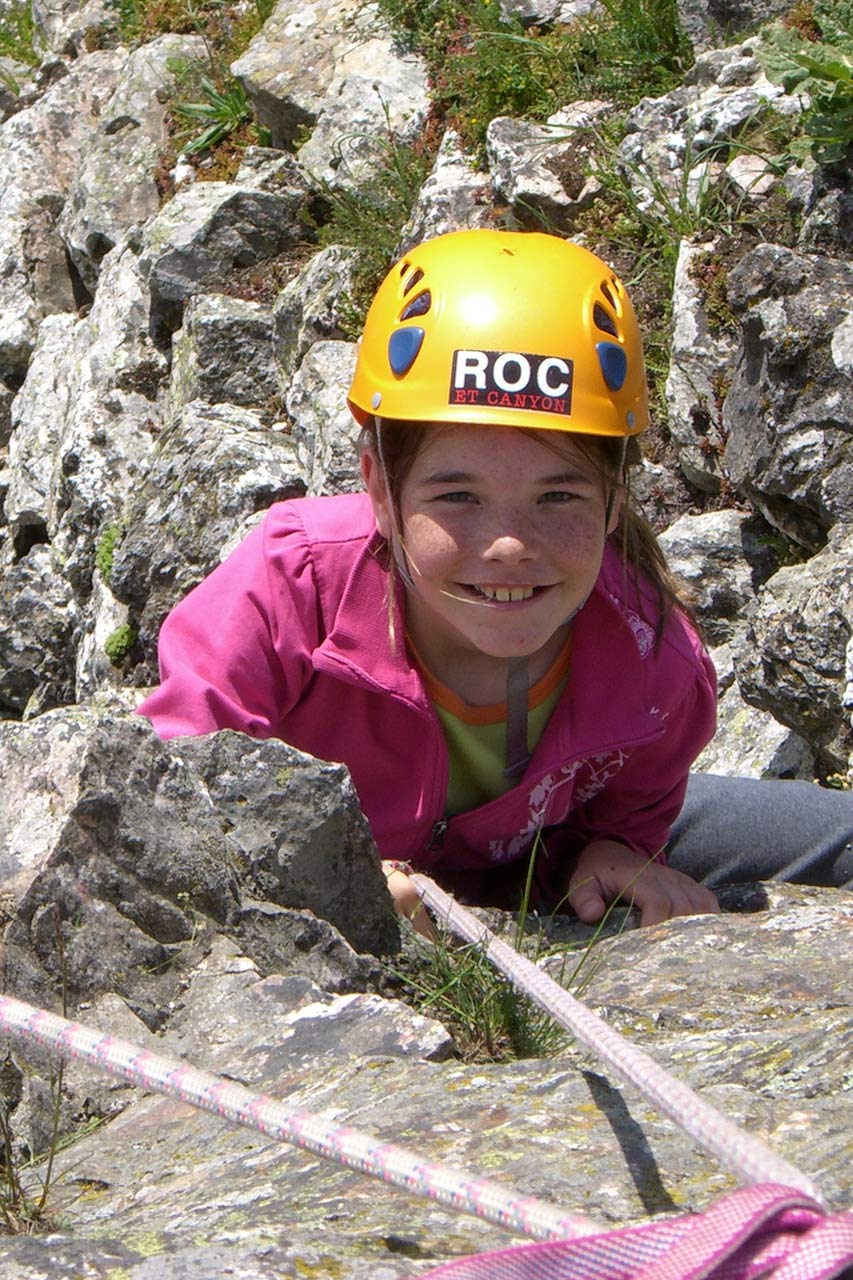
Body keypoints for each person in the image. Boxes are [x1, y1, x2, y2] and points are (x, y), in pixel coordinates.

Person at [137, 229, 852, 936]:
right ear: (380, 492)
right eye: (457, 497)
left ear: (613, 499)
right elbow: (174, 778)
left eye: (557, 496)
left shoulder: (652, 661)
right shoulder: (292, 585)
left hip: (532, 855)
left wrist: (613, 854)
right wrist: (325, 869)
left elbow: (632, 816)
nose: (510, 545)